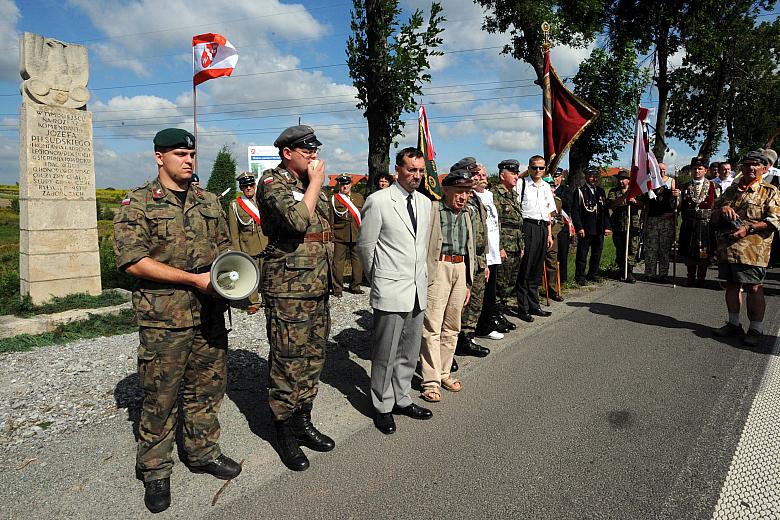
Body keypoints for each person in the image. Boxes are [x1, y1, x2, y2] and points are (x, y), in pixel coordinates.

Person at [113, 128, 241, 514]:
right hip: (164, 319)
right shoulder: (136, 204)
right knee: (160, 396)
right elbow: (133, 260)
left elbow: (224, 248)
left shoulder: (208, 201)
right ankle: (155, 469)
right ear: (159, 157)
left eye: (191, 153)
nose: (188, 159)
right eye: (179, 153)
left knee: (208, 388)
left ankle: (202, 451)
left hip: (210, 314)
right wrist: (193, 280)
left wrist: (230, 277)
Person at [256, 125, 335, 471]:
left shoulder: (307, 185)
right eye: (307, 151)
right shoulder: (274, 184)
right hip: (288, 290)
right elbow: (296, 222)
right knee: (288, 360)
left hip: (316, 287)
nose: (313, 157)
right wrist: (316, 184)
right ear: (287, 153)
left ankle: (303, 420)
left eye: (315, 151)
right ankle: (284, 431)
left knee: (313, 357)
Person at [357, 147, 433, 435]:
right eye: (411, 170)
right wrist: (378, 277)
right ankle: (382, 405)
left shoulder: (425, 203)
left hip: (416, 289)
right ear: (397, 171)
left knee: (409, 350)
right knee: (385, 352)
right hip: (390, 288)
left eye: (420, 170)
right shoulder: (378, 202)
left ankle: (402, 398)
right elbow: (366, 247)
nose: (417, 175)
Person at [711, 150, 780, 346]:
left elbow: (775, 221)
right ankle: (734, 324)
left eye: (755, 165)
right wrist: (721, 209)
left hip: (753, 250)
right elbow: (713, 218)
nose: (750, 168)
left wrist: (747, 229)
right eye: (747, 164)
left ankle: (756, 329)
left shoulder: (770, 191)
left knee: (753, 287)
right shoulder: (731, 191)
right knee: (732, 286)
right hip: (728, 248)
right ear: (741, 167)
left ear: (764, 168)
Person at [419, 168, 475, 403]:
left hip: (460, 269)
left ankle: (443, 373)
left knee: (452, 326)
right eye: (459, 191)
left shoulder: (467, 214)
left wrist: (469, 281)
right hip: (439, 268)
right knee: (432, 326)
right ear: (446, 190)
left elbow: (471, 247)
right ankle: (430, 381)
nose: (463, 197)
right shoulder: (433, 209)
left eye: (467, 192)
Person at [453, 159, 496, 360]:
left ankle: (467, 338)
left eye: (479, 173)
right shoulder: (458, 198)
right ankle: (452, 344)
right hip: (464, 259)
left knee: (475, 302)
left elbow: (482, 231)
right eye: (475, 173)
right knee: (458, 304)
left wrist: (484, 261)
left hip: (478, 258)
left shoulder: (475, 197)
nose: (479, 176)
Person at [515, 155, 555, 321]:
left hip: (543, 228)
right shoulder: (522, 184)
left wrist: (549, 234)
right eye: (534, 167)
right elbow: (516, 208)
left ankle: (534, 304)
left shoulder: (546, 186)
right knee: (526, 268)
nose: (538, 171)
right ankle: (523, 308)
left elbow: (549, 213)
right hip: (528, 226)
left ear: (545, 169)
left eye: (541, 168)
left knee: (537, 269)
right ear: (529, 168)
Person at [673, 157, 717, 287]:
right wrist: (675, 198)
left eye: (700, 169)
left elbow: (718, 205)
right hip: (689, 224)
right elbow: (676, 207)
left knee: (704, 252)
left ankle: (702, 278)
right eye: (694, 169)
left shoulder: (714, 186)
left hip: (706, 225)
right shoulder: (684, 186)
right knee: (688, 252)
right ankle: (690, 277)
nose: (697, 171)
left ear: (706, 170)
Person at [228, 172, 268, 314]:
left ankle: (268, 299)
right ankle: (254, 302)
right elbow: (234, 232)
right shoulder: (235, 205)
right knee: (251, 275)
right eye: (245, 186)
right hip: (248, 246)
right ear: (241, 187)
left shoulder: (263, 201)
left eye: (251, 185)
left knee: (268, 273)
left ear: (255, 185)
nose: (249, 188)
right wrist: (238, 252)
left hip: (266, 243)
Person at [494, 159, 524, 318]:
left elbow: (518, 222)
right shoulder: (496, 194)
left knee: (510, 283)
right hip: (504, 246)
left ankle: (502, 311)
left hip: (515, 245)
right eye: (512, 173)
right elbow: (494, 223)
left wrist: (522, 244)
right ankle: (496, 314)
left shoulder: (513, 195)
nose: (516, 176)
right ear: (502, 175)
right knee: (500, 283)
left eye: (517, 173)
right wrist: (499, 247)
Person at [572, 167, 612, 285]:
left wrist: (607, 226)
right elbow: (575, 212)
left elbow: (604, 211)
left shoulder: (600, 191)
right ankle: (580, 276)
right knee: (582, 254)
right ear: (586, 177)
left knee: (596, 253)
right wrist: (579, 227)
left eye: (595, 176)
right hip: (586, 228)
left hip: (598, 228)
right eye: (591, 176)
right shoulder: (580, 191)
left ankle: (593, 274)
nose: (593, 179)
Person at [640, 163, 676, 283]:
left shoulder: (671, 184)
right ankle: (649, 273)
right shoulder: (650, 184)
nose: (662, 172)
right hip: (652, 220)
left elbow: (676, 204)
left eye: (664, 170)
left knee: (664, 249)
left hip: (666, 221)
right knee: (651, 248)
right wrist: (644, 221)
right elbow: (647, 205)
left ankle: (663, 274)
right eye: (660, 170)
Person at [331, 174, 365, 296]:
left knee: (357, 262)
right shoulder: (333, 199)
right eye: (342, 183)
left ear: (351, 184)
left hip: (357, 234)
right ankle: (337, 288)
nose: (344, 186)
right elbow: (331, 219)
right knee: (338, 263)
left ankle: (355, 286)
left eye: (347, 183)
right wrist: (331, 236)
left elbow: (364, 216)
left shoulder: (359, 198)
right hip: (339, 235)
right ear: (338, 185)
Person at [607, 170, 642, 283]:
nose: (621, 181)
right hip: (618, 225)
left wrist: (634, 201)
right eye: (619, 179)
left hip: (632, 225)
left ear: (629, 180)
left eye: (623, 179)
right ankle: (622, 270)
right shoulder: (613, 191)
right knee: (620, 249)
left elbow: (643, 205)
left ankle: (629, 270)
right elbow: (612, 204)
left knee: (632, 248)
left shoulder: (636, 191)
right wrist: (625, 197)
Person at [544, 174, 567, 301]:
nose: (551, 189)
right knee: (536, 265)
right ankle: (534, 291)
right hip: (540, 236)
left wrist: (552, 234)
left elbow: (560, 221)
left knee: (552, 264)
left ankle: (553, 290)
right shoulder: (539, 199)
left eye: (552, 186)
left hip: (552, 237)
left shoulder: (557, 201)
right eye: (548, 186)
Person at [551, 168, 573, 284]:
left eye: (557, 176)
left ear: (561, 177)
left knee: (562, 253)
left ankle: (563, 278)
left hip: (562, 225)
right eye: (553, 176)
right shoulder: (545, 189)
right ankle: (550, 279)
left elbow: (569, 203)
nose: (555, 179)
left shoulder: (565, 189)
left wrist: (555, 196)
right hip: (550, 226)